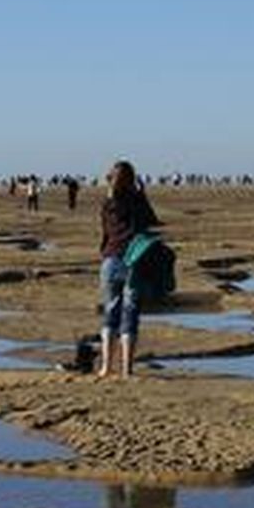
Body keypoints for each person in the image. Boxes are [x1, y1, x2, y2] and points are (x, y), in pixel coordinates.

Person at [95, 160, 159, 380]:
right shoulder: (136, 202)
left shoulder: (108, 203)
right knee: (130, 313)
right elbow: (152, 223)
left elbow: (105, 231)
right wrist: (142, 195)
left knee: (110, 312)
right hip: (133, 261)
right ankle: (126, 370)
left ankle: (105, 367)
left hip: (111, 259)